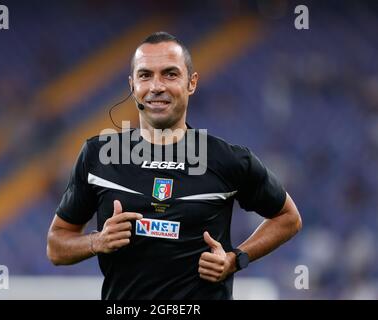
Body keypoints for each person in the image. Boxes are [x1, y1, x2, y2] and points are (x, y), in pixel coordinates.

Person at [47, 31, 302, 299]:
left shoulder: (227, 159)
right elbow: (56, 246)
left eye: (170, 74)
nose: (156, 86)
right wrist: (96, 241)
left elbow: (288, 218)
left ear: (191, 83)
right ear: (133, 85)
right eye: (145, 75)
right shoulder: (99, 155)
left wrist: (235, 259)